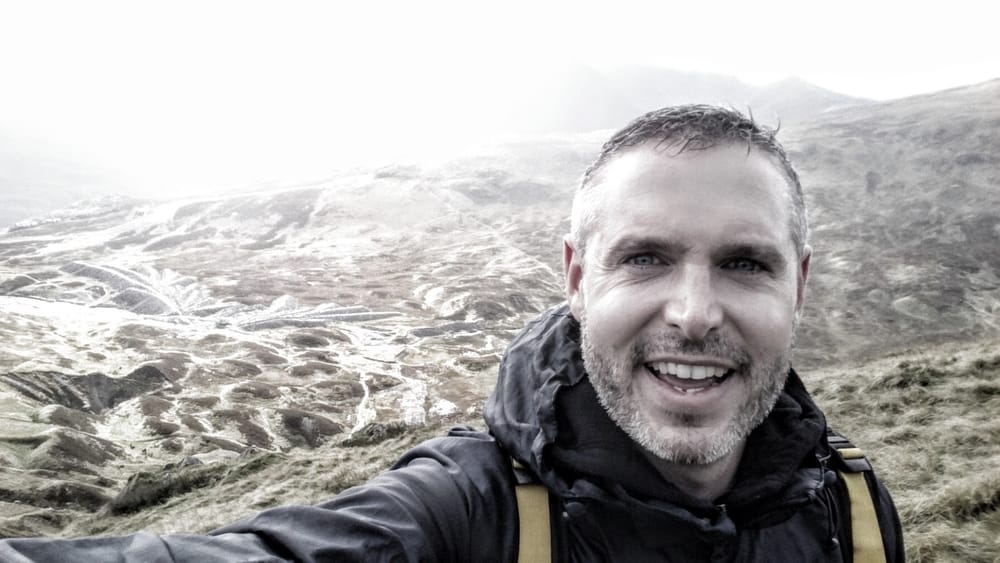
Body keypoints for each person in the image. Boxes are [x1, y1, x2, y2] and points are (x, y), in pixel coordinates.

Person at [0, 105, 904, 562]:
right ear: (577, 278)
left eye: (744, 262)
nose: (695, 312)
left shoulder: (852, 509)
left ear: (799, 285)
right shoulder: (467, 516)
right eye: (645, 258)